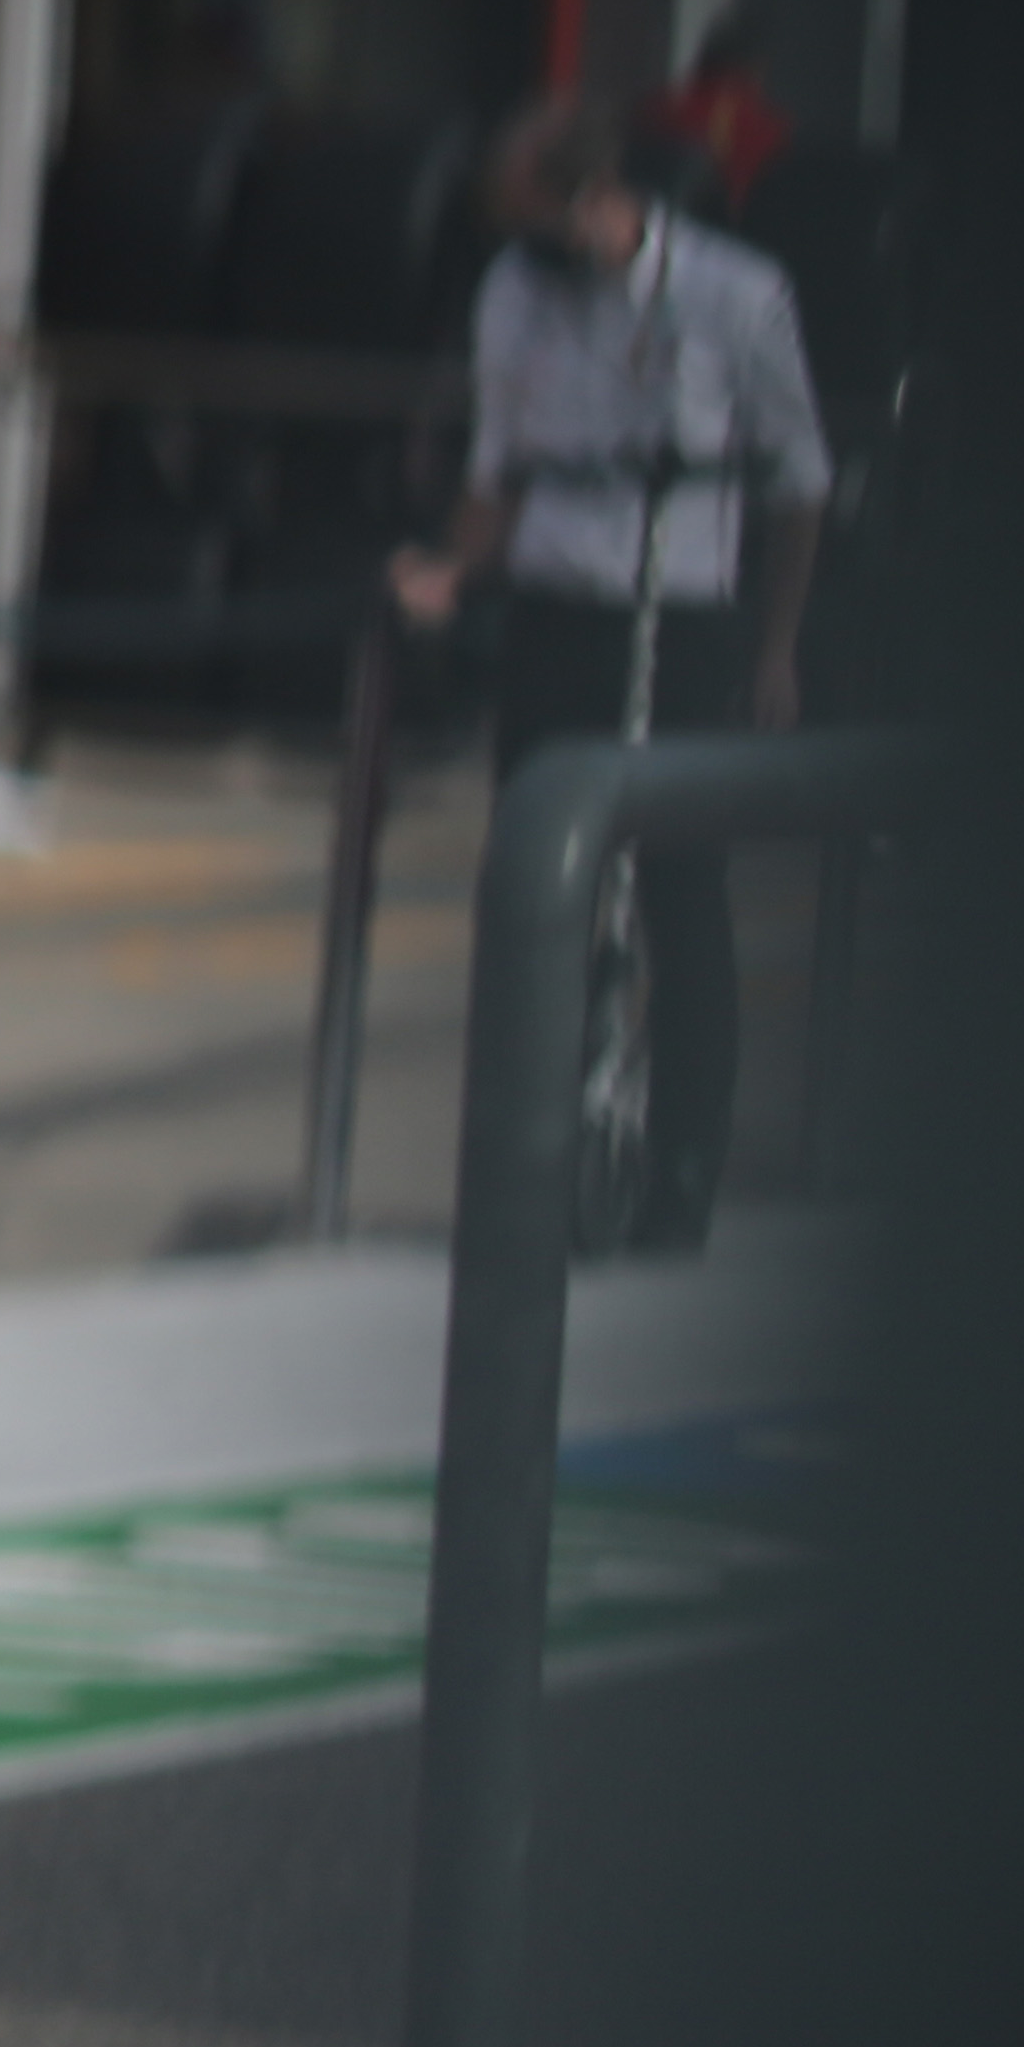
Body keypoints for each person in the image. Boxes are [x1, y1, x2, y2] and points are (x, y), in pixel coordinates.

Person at [391, 95, 828, 1250]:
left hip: (679, 621)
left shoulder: (731, 295)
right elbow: (500, 467)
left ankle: (678, 1181)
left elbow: (798, 481)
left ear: (594, 201)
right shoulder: (512, 295)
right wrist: (450, 569)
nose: (517, 247)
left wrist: (775, 643)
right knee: (538, 892)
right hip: (554, 612)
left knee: (681, 902)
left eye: (531, 219)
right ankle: (526, 1173)